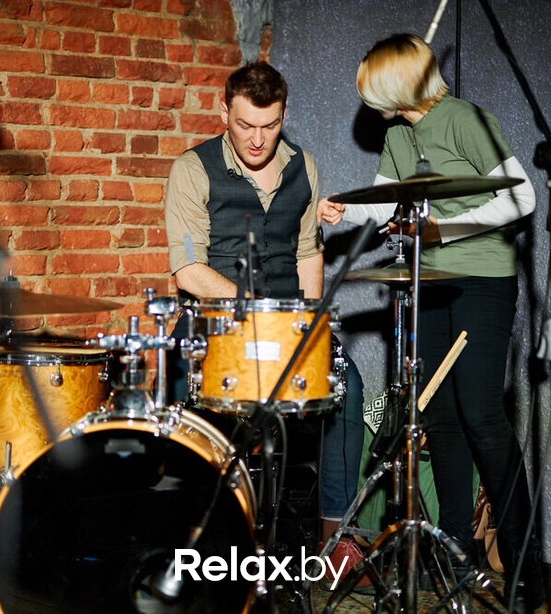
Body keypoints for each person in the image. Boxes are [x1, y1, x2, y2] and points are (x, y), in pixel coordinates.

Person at [318, 34, 544, 610]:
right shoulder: (398, 133)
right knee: (439, 417)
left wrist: (446, 230)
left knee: (481, 415)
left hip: (481, 282)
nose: (367, 95)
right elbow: (397, 200)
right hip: (429, 283)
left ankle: (523, 564)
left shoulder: (465, 118)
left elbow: (521, 199)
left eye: (373, 82)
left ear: (397, 81)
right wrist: (350, 208)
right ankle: (457, 550)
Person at [163, 61, 367, 586]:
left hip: (288, 323)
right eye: (245, 125)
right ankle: (196, 537)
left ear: (284, 116)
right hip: (216, 320)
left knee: (347, 382)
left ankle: (336, 539)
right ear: (224, 111)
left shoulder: (305, 165)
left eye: (270, 125)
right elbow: (188, 271)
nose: (257, 139)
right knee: (181, 378)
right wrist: (254, 308)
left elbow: (306, 255)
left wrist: (312, 325)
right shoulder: (192, 169)